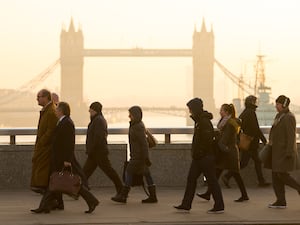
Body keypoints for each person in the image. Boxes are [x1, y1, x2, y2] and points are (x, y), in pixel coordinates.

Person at [31, 102, 99, 214]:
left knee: (59, 182)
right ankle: (49, 205)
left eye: (57, 109)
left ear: (61, 111)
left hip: (63, 159)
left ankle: (44, 206)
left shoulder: (67, 123)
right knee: (60, 182)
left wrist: (67, 160)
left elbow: (69, 143)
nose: (55, 111)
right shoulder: (63, 122)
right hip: (60, 158)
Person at [174, 98, 224, 214]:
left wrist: (199, 153)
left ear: (195, 109)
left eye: (190, 109)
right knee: (192, 179)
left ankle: (219, 205)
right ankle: (186, 204)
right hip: (199, 157)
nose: (189, 112)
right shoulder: (200, 121)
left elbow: (206, 141)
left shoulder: (204, 122)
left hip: (205, 157)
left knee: (212, 181)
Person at [197, 104, 249, 202]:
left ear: (227, 112)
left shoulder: (230, 124)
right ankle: (208, 193)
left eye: (222, 110)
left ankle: (244, 195)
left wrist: (218, 144)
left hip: (229, 152)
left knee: (235, 174)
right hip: (226, 151)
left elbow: (225, 138)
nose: (220, 112)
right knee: (217, 174)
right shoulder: (226, 122)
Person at [111, 105, 158, 204]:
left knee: (129, 172)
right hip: (138, 156)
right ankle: (153, 196)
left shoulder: (137, 127)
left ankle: (123, 196)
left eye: (130, 114)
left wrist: (146, 158)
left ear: (135, 115)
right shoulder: (137, 125)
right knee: (147, 174)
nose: (129, 116)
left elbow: (144, 144)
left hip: (138, 157)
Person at [222, 95, 269, 188]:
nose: (257, 103)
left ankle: (261, 180)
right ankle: (227, 176)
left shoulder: (245, 112)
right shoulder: (251, 113)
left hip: (248, 141)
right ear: (252, 102)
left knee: (255, 161)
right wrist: (263, 139)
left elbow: (239, 126)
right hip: (250, 142)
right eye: (255, 101)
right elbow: (256, 128)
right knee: (245, 163)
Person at [83, 102, 123, 196]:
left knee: (109, 171)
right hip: (95, 152)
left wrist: (91, 149)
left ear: (95, 110)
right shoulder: (97, 119)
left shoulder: (98, 120)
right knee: (85, 173)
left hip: (98, 153)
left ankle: (121, 189)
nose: (89, 111)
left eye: (91, 109)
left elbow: (98, 137)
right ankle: (78, 190)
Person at [267, 95, 300, 209]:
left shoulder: (289, 117)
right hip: (276, 152)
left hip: (284, 153)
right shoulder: (279, 116)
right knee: (276, 176)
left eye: (278, 104)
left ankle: (298, 188)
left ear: (284, 105)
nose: (276, 106)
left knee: (282, 175)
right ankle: (280, 201)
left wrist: (289, 152)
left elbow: (291, 136)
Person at [31, 89, 58, 194]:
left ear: (46, 97)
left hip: (46, 149)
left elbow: (51, 130)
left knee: (45, 179)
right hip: (43, 148)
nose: (37, 99)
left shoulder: (51, 112)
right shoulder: (47, 111)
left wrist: (42, 142)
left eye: (39, 96)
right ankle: (54, 202)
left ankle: (47, 203)